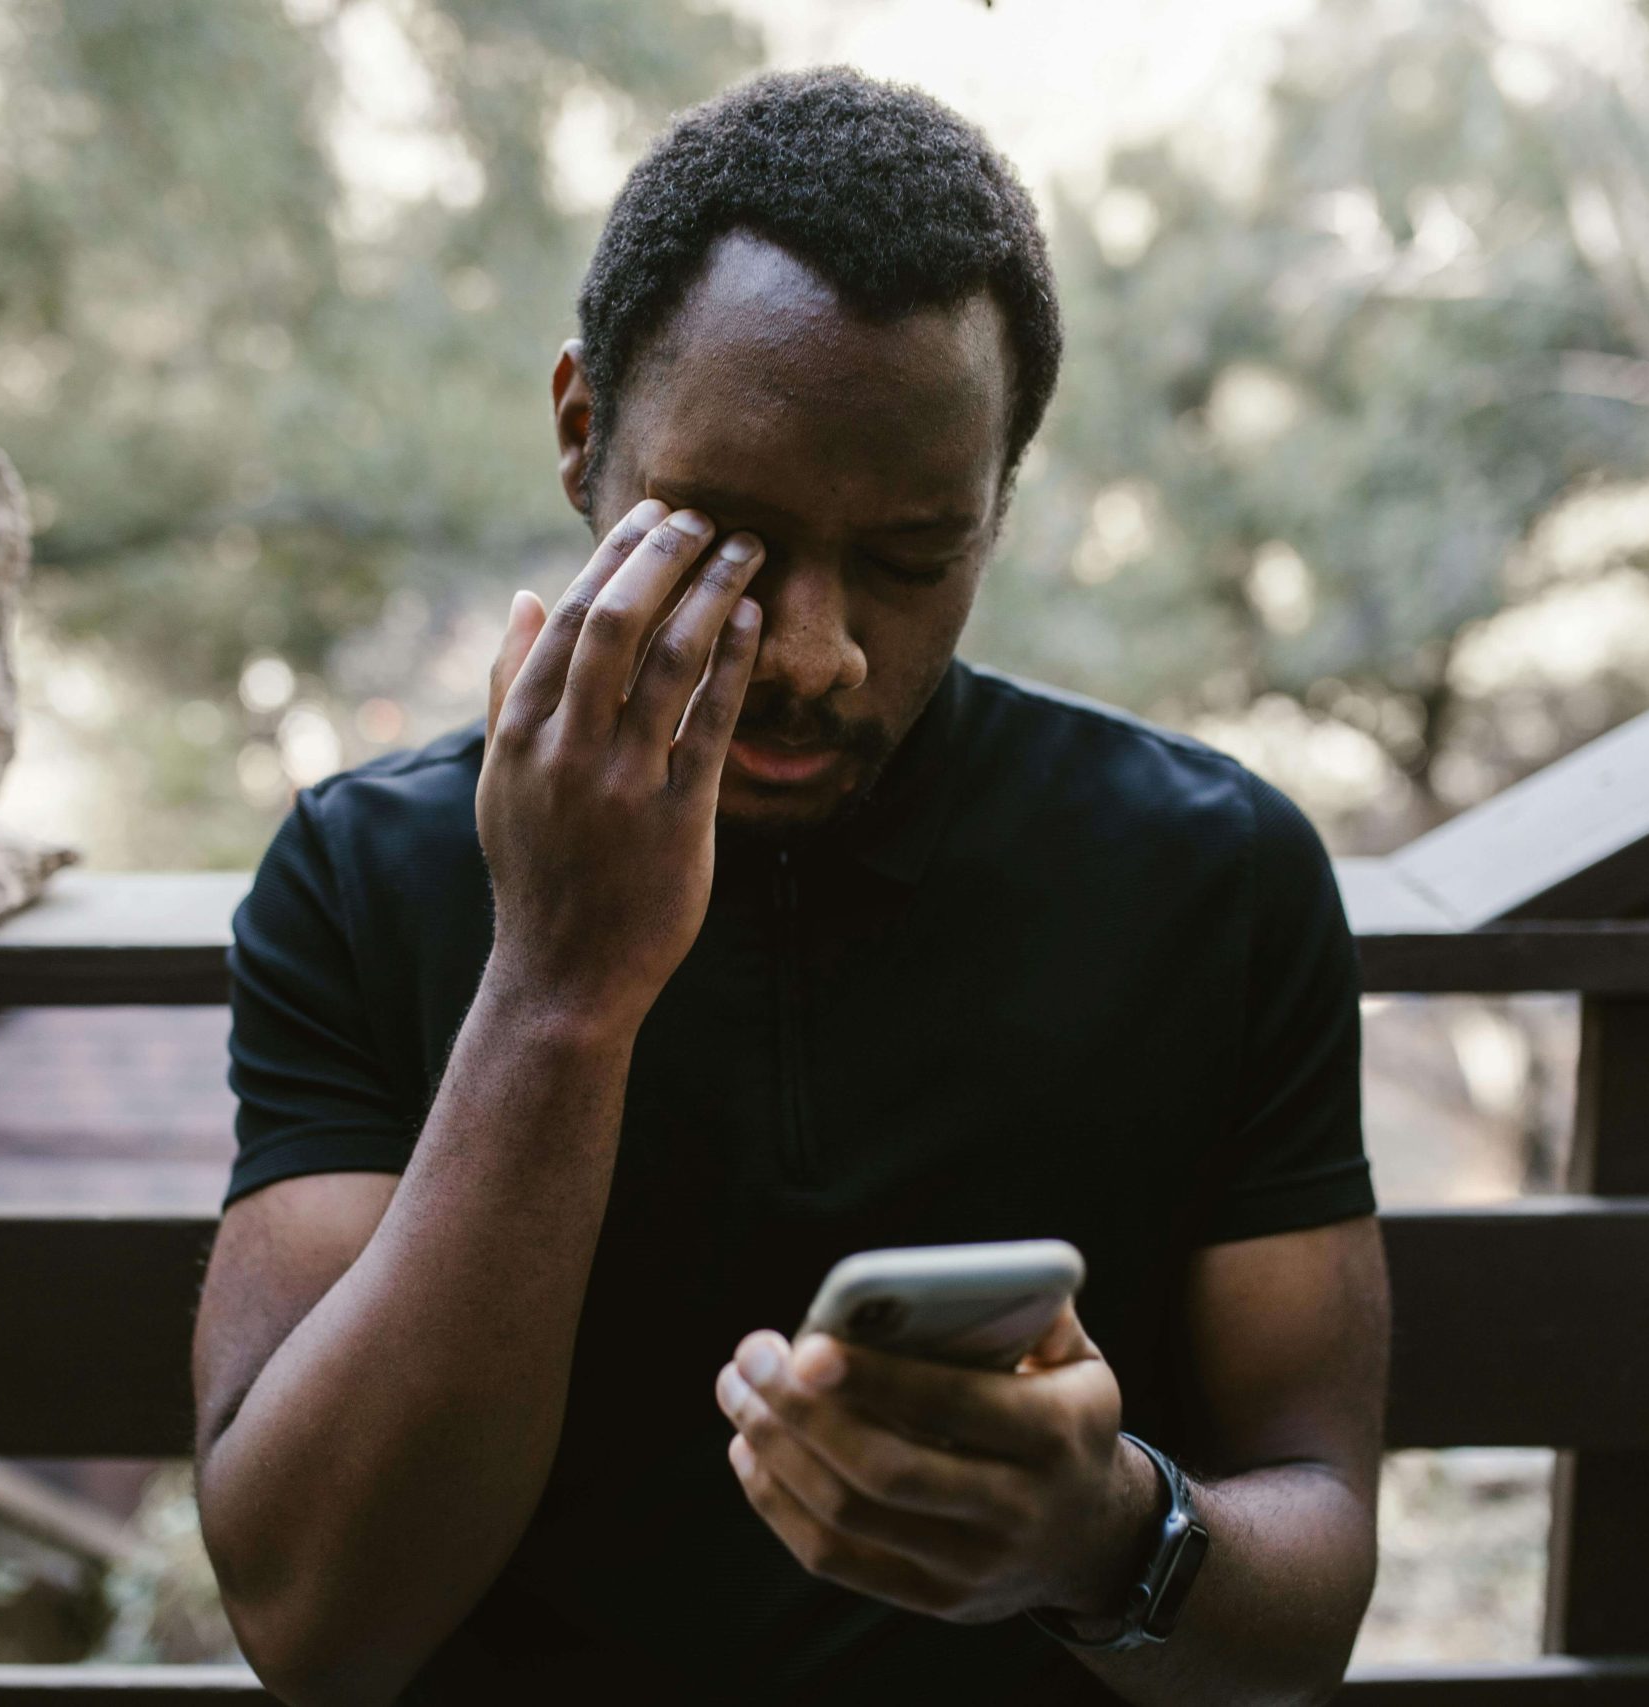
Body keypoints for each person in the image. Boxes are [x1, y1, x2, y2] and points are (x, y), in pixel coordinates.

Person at [192, 67, 1387, 1707]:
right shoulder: (364, 873)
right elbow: (317, 1625)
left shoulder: (1213, 872)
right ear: (579, 435)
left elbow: (1312, 1594)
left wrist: (1105, 1542)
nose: (818, 651)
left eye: (912, 560)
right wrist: (557, 985)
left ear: (998, 509)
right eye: (727, 536)